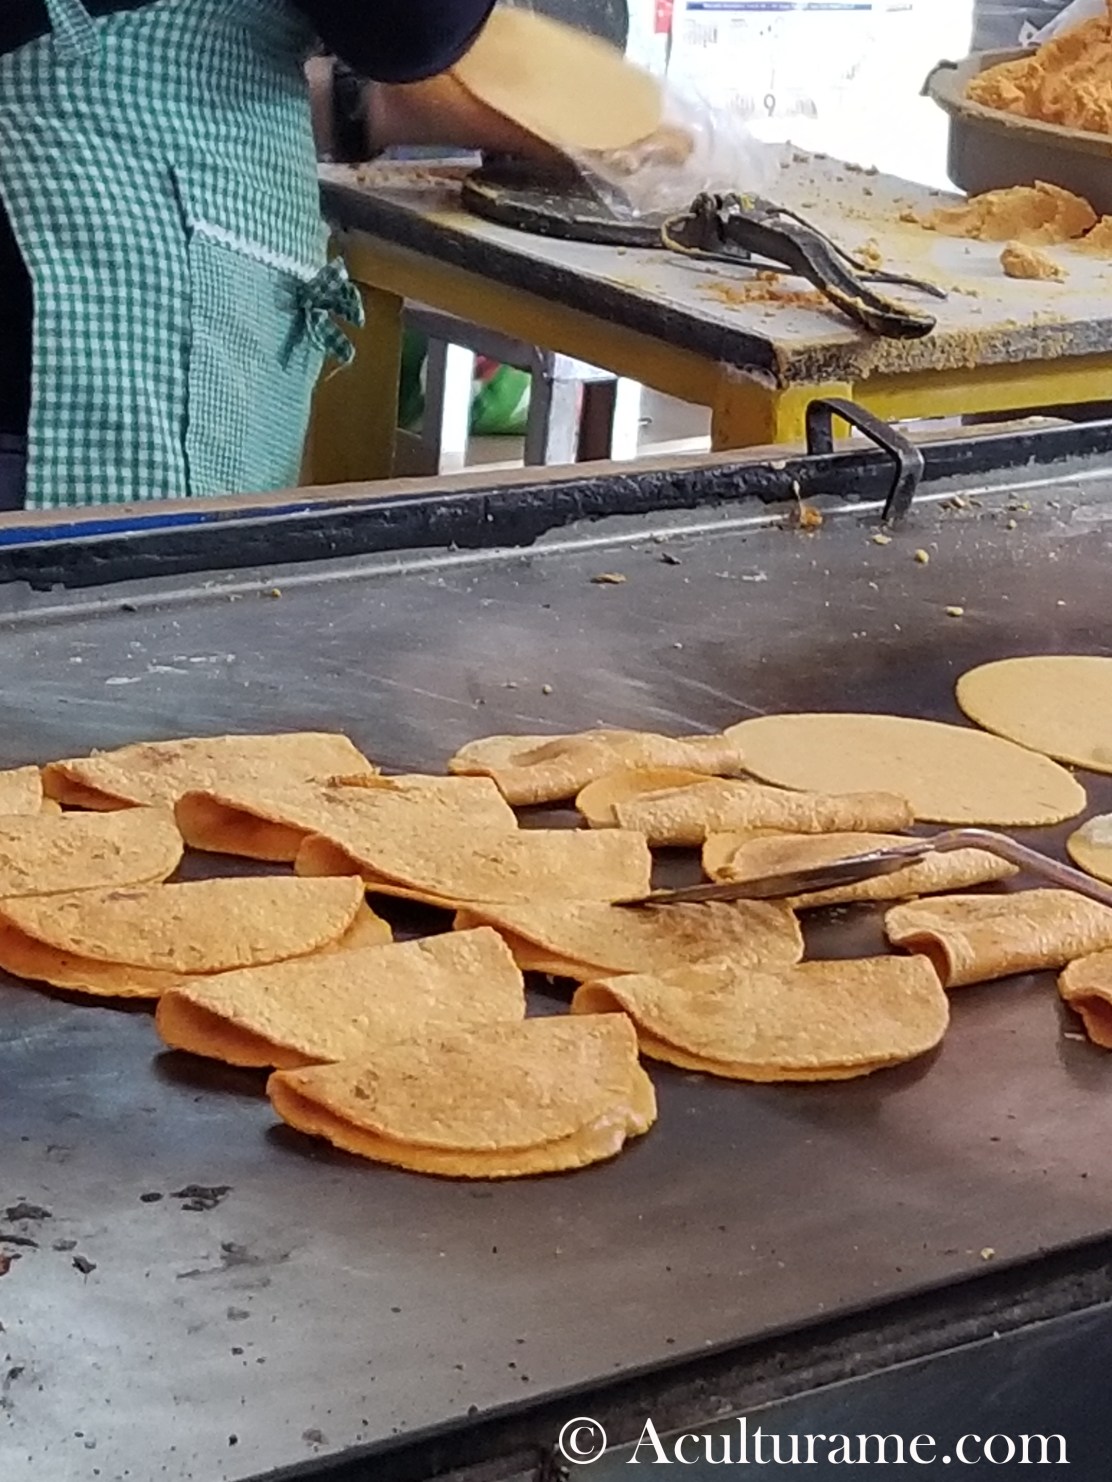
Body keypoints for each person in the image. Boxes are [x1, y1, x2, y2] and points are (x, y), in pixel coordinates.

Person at [0, 0, 550, 512]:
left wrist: (360, 107)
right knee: (116, 601)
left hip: (87, 219)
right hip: (89, 286)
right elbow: (408, 23)